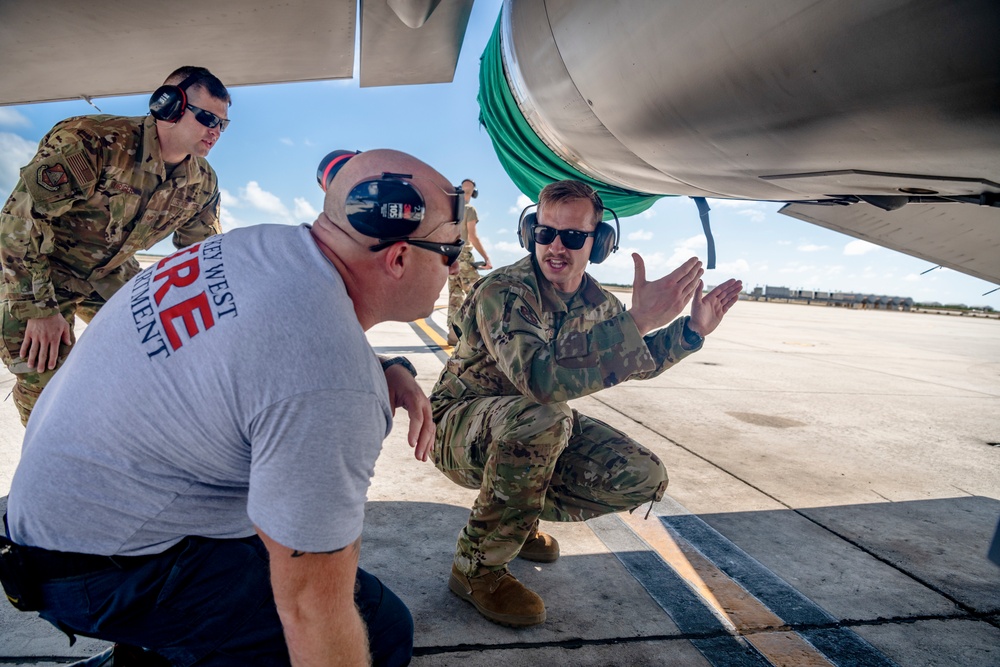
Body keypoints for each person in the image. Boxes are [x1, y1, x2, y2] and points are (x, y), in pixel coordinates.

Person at [1, 148, 465, 665]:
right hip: (95, 573)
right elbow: (310, 608)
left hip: (52, 530)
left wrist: (385, 367)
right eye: (452, 250)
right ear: (399, 258)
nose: (456, 265)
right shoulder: (332, 384)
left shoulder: (261, 246)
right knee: (379, 630)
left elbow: (268, 346)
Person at [430, 179, 742, 627]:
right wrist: (637, 319)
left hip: (526, 425)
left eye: (573, 236)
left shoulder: (597, 303)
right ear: (529, 233)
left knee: (642, 475)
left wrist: (690, 331)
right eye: (544, 232)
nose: (556, 246)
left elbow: (636, 359)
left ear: (598, 244)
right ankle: (476, 567)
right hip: (458, 427)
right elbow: (539, 380)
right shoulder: (506, 291)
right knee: (545, 416)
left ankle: (518, 518)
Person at [0, 65, 231, 426]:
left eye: (223, 124)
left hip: (109, 274)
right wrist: (39, 310)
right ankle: (42, 471)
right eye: (206, 118)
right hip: (39, 270)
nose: (215, 131)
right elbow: (20, 220)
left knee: (165, 353)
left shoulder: (201, 182)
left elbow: (203, 256)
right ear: (168, 106)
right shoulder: (95, 142)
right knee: (46, 385)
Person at [446, 178, 491, 345]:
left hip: (451, 255)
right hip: (464, 255)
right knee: (479, 294)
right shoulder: (470, 209)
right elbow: (472, 236)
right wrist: (486, 258)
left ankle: (453, 334)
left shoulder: (451, 208)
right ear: (473, 192)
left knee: (455, 296)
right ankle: (485, 336)